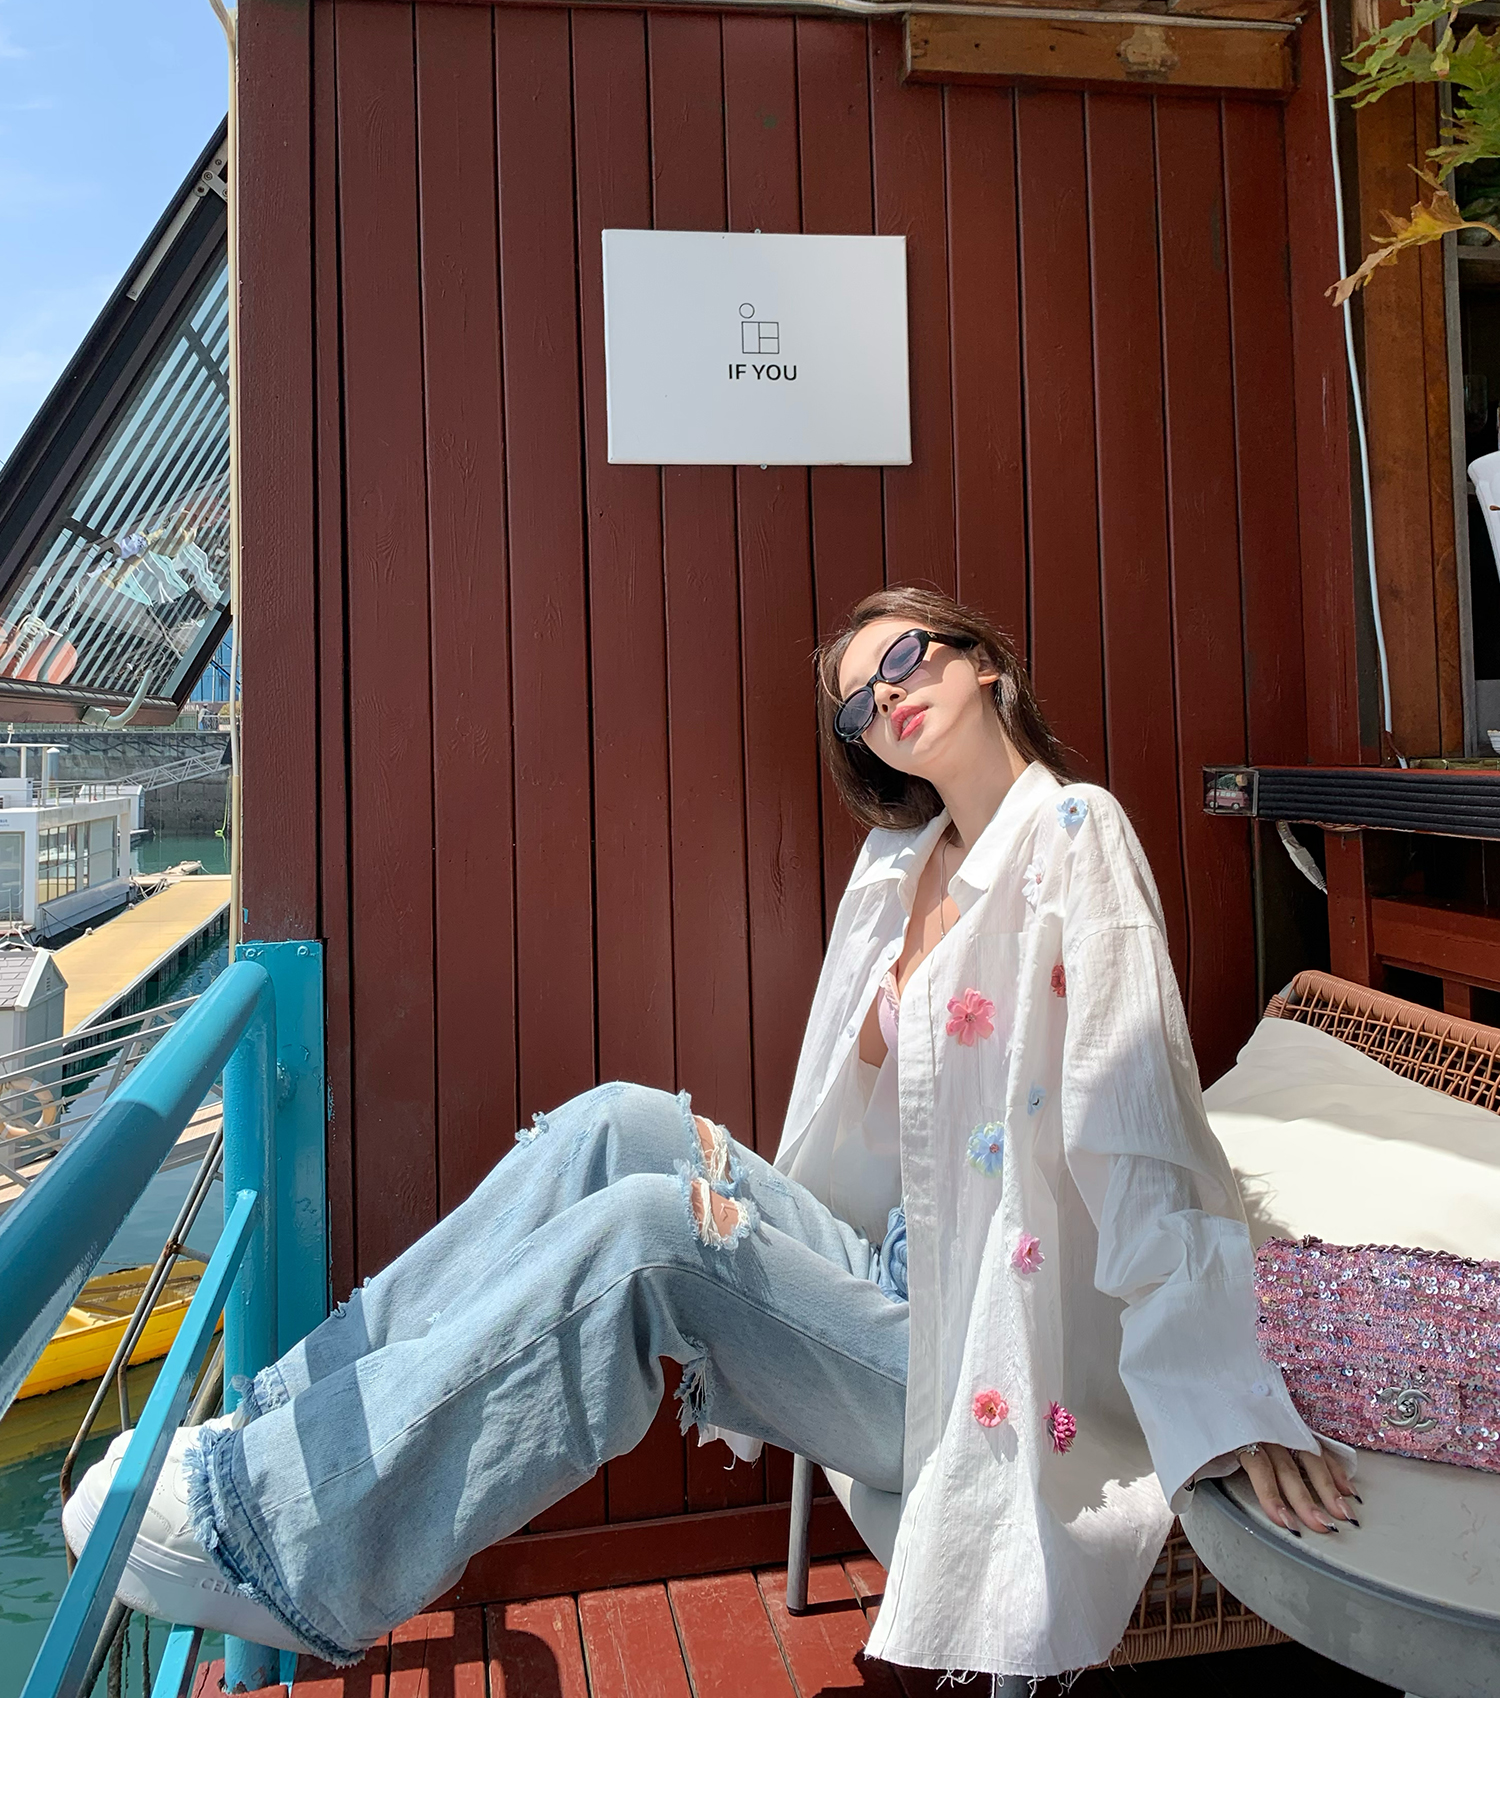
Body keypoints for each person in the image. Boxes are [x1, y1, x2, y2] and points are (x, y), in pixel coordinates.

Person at [65, 585, 1356, 1681]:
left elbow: (1136, 1110)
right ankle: (279, 1427)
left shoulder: (1074, 833)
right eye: (858, 702)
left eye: (908, 657)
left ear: (985, 661)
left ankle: (287, 1543)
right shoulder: (901, 865)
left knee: (649, 1238)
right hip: (892, 1269)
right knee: (615, 1124)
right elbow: (857, 1135)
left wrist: (1217, 1386)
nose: (887, 698)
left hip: (980, 1356)